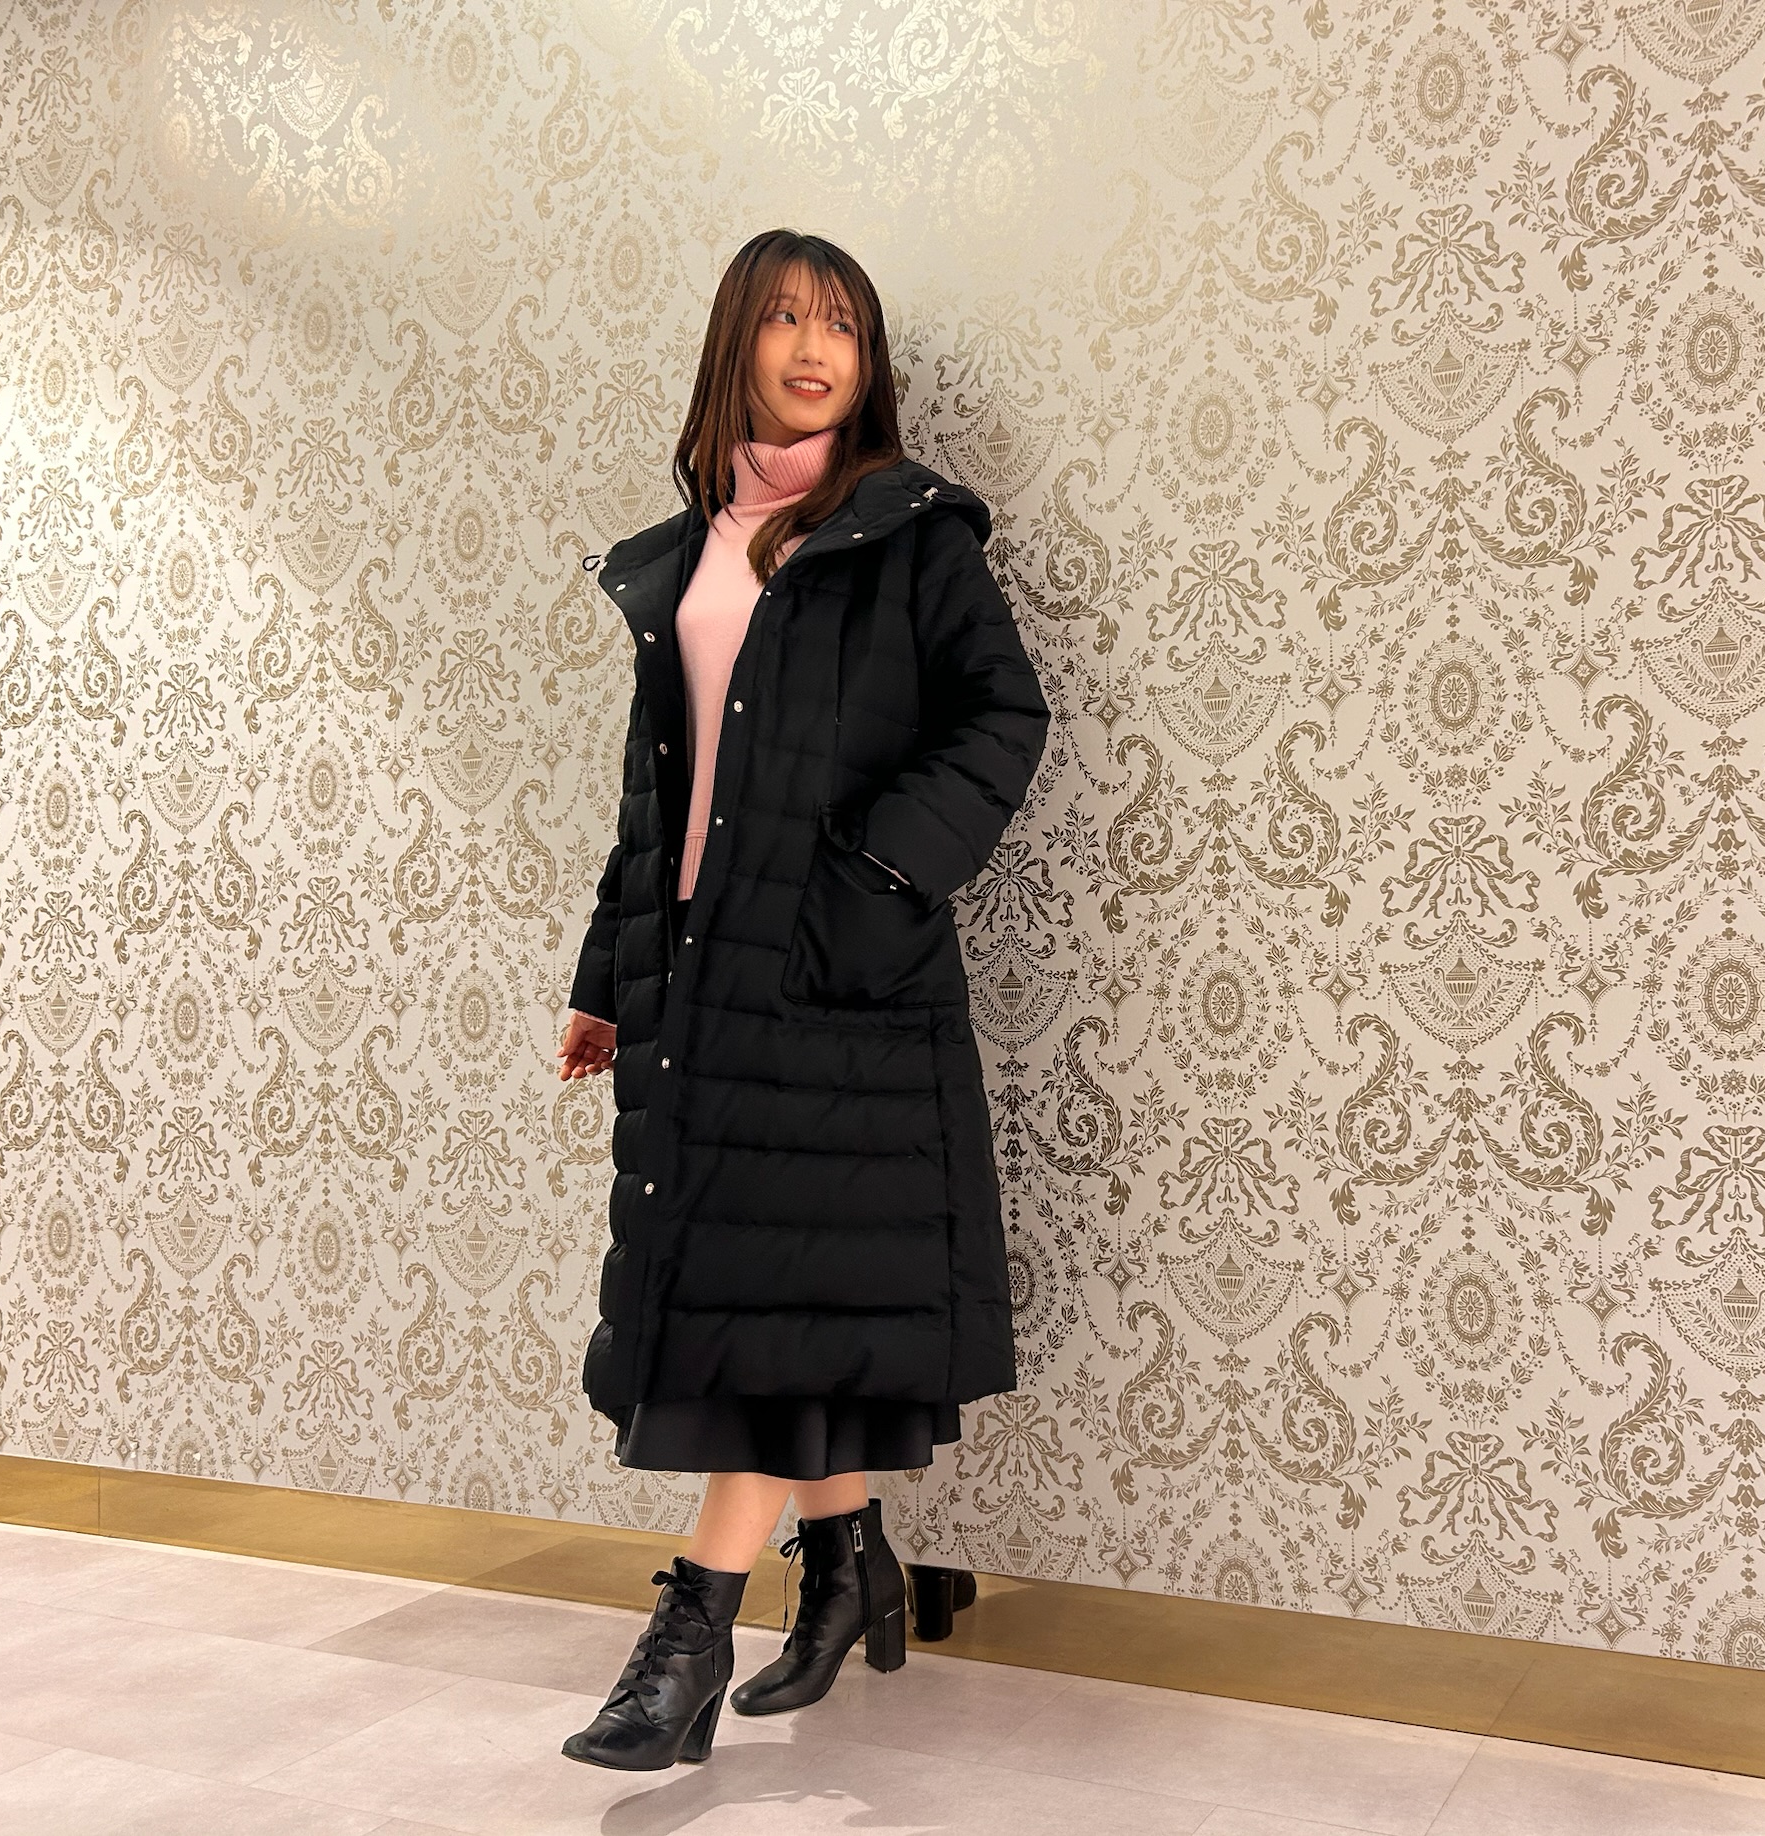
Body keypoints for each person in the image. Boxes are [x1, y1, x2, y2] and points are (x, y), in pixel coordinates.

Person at [549, 228, 1050, 1770]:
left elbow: (1003, 715)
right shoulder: (685, 554)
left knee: (766, 1317)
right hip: (701, 986)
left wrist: (873, 879)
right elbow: (659, 796)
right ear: (738, 344)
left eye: (842, 322)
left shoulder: (910, 534)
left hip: (843, 989)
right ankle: (847, 1567)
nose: (815, 346)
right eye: (783, 318)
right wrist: (606, 981)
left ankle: (689, 1636)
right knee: (775, 1304)